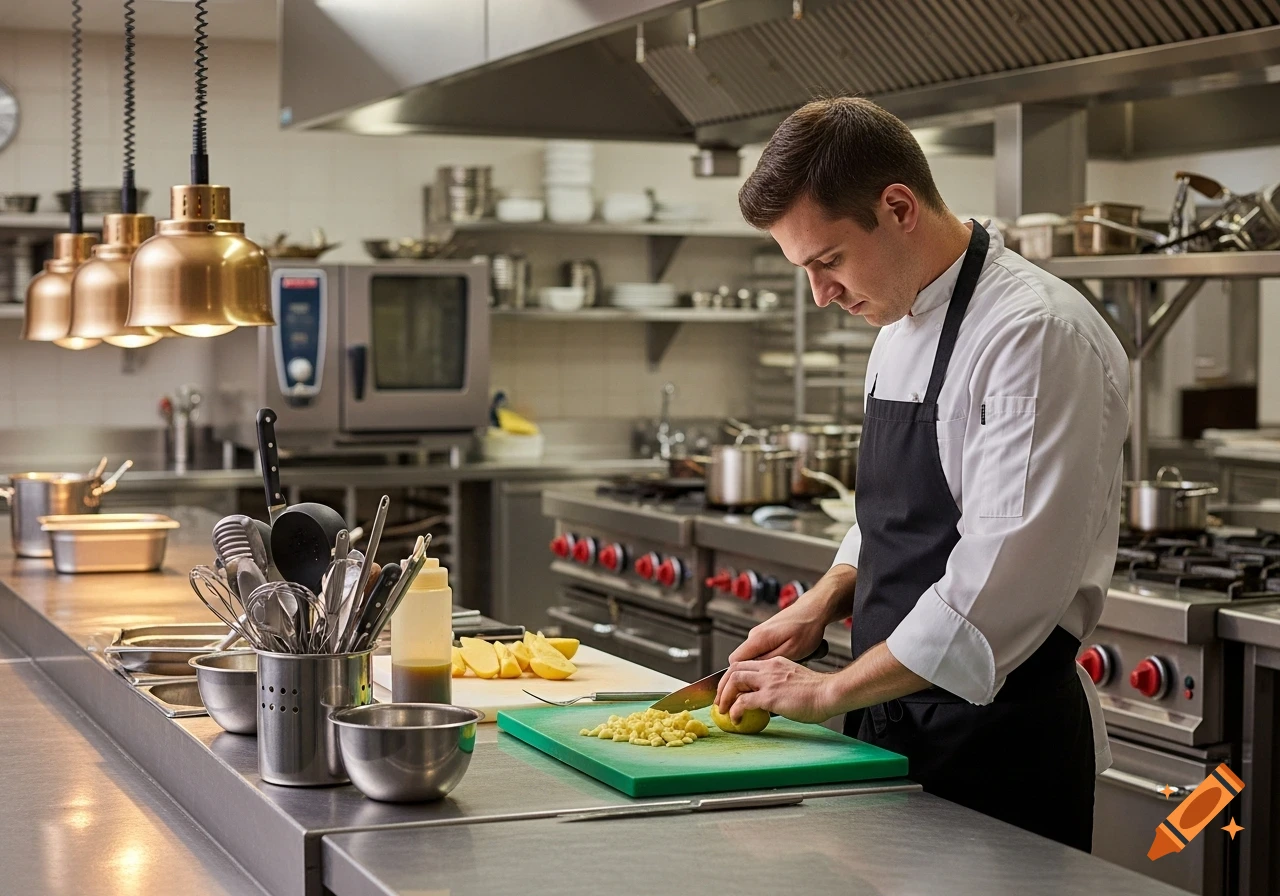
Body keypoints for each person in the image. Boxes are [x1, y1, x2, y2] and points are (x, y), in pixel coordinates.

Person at [716, 96, 1127, 851]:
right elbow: (897, 514)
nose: (821, 294)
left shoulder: (1033, 333)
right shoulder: (898, 320)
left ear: (898, 207)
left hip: (996, 746)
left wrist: (831, 688)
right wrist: (827, 598)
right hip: (894, 721)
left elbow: (999, 580)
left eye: (828, 261)